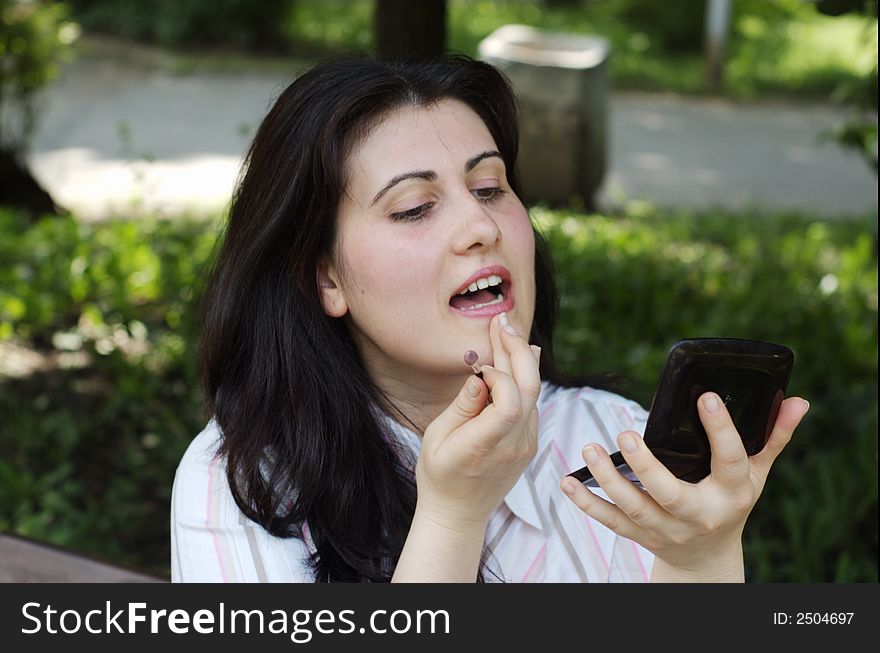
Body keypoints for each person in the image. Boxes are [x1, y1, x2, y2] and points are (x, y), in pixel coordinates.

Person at [170, 54, 809, 583]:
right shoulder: (242, 484)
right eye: (415, 208)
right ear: (325, 278)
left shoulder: (617, 441)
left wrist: (699, 556)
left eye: (490, 188)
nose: (479, 227)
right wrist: (452, 515)